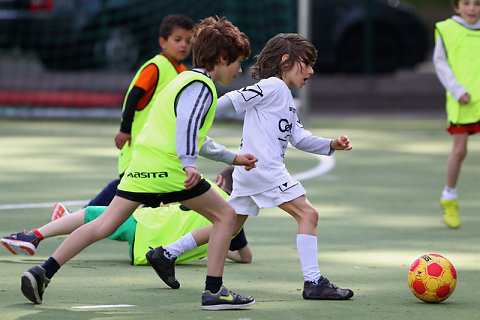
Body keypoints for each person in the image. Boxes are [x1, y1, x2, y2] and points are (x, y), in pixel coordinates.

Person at [19, 16, 257, 311]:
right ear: (222, 58)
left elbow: (194, 135)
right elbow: (186, 126)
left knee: (103, 224)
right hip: (171, 171)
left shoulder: (182, 80)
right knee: (226, 216)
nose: (239, 70)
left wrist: (232, 158)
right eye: (237, 62)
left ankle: (43, 271)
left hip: (142, 167)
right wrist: (188, 164)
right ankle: (214, 290)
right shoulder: (202, 86)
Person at [147, 33, 355, 301]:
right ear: (286, 61)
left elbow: (299, 137)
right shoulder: (272, 86)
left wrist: (331, 144)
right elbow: (234, 99)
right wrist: (198, 114)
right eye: (307, 63)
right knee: (308, 214)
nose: (312, 70)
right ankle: (313, 281)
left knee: (229, 226)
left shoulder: (285, 96)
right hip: (263, 169)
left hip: (249, 172)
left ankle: (167, 253)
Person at [2, 167, 252, 265]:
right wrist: (213, 246)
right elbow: (245, 257)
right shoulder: (233, 220)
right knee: (99, 219)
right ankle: (60, 225)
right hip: (151, 253)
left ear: (220, 180)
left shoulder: (207, 187)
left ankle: (35, 235)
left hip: (142, 226)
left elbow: (167, 199)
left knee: (93, 215)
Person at [89, 14, 194, 206]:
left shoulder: (182, 72)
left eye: (188, 41)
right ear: (163, 42)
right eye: (177, 40)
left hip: (156, 147)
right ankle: (83, 214)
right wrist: (125, 129)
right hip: (137, 143)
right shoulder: (155, 67)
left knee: (147, 193)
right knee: (126, 186)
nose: (184, 45)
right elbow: (133, 96)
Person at [433, 0, 480, 228]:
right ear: (456, 6)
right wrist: (457, 89)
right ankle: (449, 197)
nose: (472, 8)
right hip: (464, 99)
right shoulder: (447, 29)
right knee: (460, 150)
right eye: (467, 3)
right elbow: (440, 63)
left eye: (478, 3)